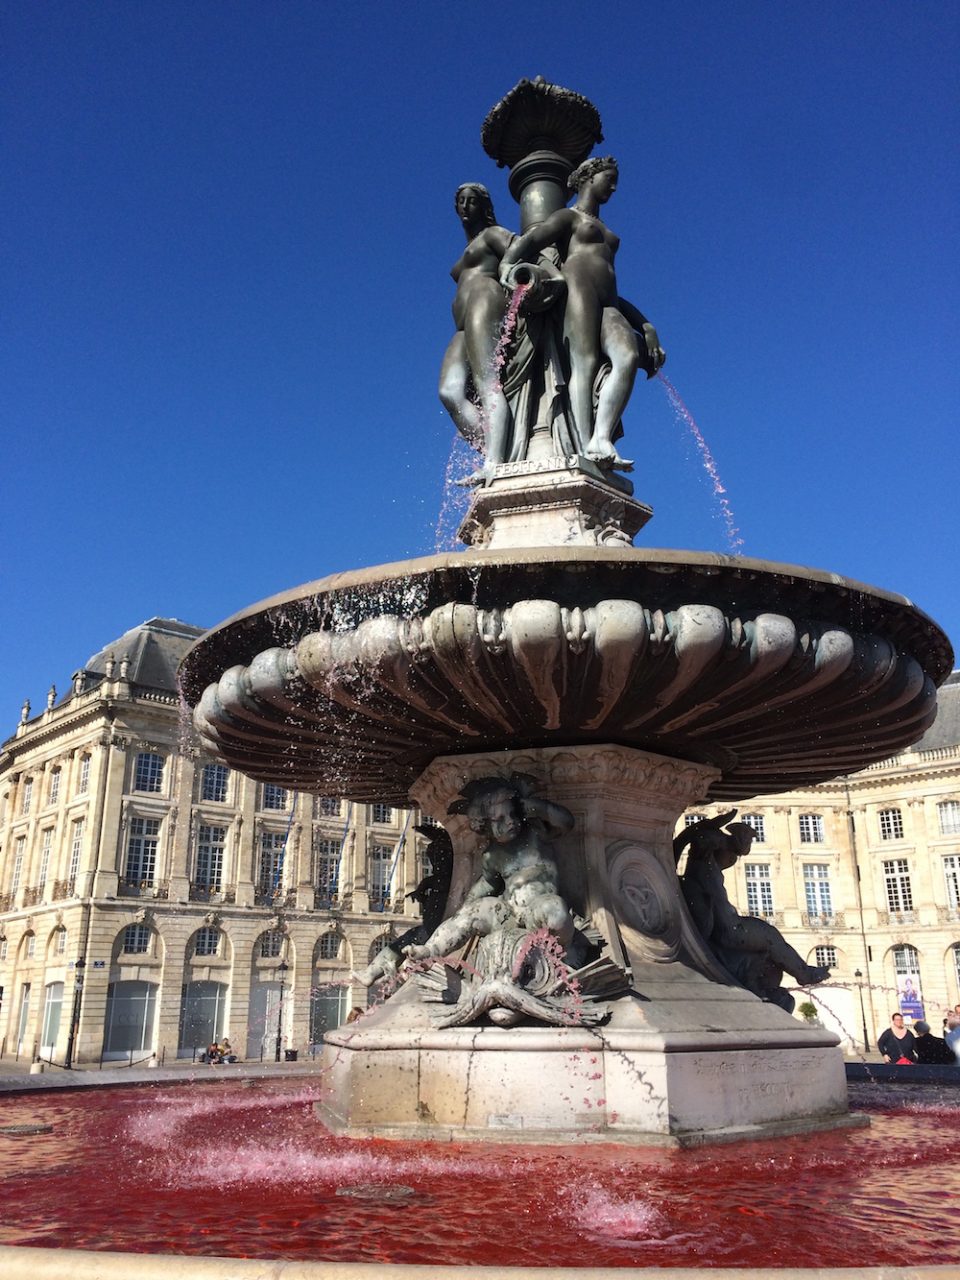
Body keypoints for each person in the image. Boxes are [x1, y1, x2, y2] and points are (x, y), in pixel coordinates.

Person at [500, 156, 664, 469]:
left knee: (627, 356)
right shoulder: (569, 217)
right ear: (589, 177)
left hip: (608, 302)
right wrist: (508, 263)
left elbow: (614, 287)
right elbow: (533, 238)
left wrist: (645, 325)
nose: (613, 187)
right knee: (584, 363)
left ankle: (601, 435)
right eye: (609, 178)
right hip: (578, 290)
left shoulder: (606, 229)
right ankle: (587, 443)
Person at [403, 773, 585, 967]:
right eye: (499, 819)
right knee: (468, 916)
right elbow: (488, 883)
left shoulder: (534, 833)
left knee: (555, 912)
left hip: (537, 908)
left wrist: (535, 807)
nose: (510, 821)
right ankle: (431, 949)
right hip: (507, 912)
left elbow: (566, 822)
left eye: (512, 814)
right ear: (484, 826)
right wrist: (468, 905)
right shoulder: (492, 855)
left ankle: (565, 947)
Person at [674, 811, 829, 1011]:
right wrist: (733, 840)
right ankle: (804, 973)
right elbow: (701, 838)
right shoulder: (701, 861)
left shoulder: (706, 868)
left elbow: (690, 840)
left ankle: (768, 985)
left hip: (729, 927)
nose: (731, 861)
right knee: (769, 935)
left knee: (767, 943)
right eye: (732, 857)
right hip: (730, 930)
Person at [438, 184, 516, 485]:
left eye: (472, 201)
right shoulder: (467, 247)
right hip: (462, 322)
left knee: (487, 381)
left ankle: (495, 461)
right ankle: (501, 447)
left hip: (485, 297)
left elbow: (523, 252)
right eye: (461, 201)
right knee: (449, 392)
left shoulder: (494, 234)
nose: (466, 206)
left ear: (485, 207)